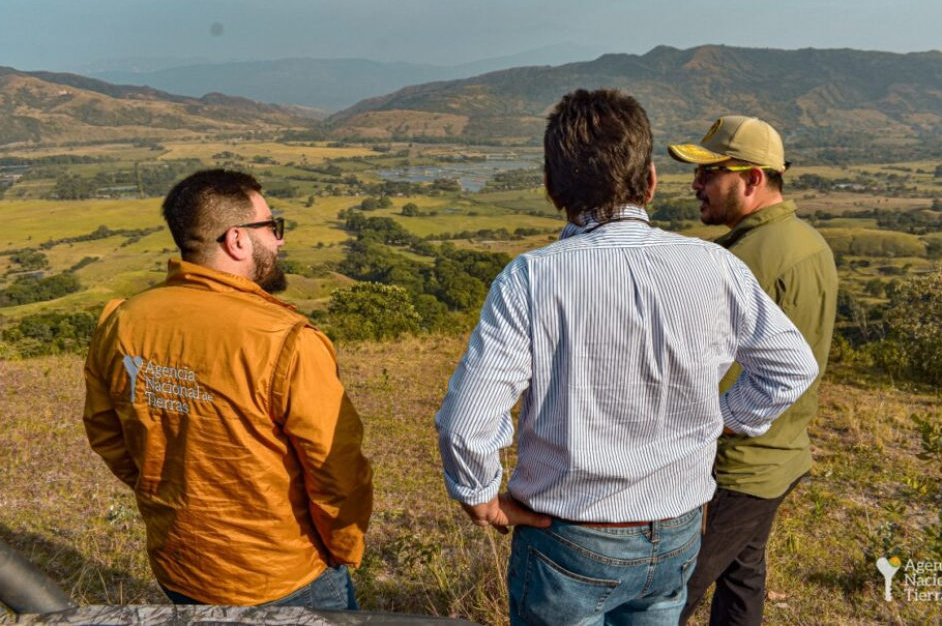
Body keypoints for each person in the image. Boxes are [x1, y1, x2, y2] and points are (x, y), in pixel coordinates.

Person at [436, 89, 820, 626]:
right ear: (651, 182)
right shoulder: (713, 265)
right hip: (678, 528)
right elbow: (791, 366)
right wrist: (729, 418)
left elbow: (465, 422)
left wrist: (479, 495)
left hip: (568, 537)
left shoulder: (532, 277)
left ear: (551, 188)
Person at [84, 169, 373, 608]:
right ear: (237, 239)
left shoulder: (123, 321)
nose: (279, 241)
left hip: (180, 564)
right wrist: (344, 548)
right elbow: (336, 469)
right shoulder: (286, 340)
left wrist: (166, 495)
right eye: (272, 228)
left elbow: (106, 434)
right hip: (284, 575)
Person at [669, 116, 838, 626]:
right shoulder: (807, 241)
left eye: (711, 172)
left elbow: (709, 376)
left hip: (740, 463)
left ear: (754, 178)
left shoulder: (742, 261)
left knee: (673, 594)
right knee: (743, 580)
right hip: (778, 453)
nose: (696, 184)